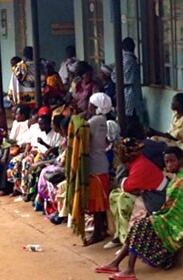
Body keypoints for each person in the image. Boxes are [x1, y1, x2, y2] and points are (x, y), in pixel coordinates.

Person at [95, 147, 183, 280]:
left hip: (180, 221)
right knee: (140, 224)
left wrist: (160, 216)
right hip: (171, 216)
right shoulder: (179, 177)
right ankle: (116, 263)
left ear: (181, 160)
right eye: (167, 162)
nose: (169, 164)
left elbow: (180, 209)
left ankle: (128, 269)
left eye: (173, 161)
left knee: (142, 226)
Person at [105, 137, 167, 249]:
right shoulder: (135, 162)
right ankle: (119, 235)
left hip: (156, 199)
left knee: (124, 200)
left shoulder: (140, 164)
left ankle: (127, 242)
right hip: (148, 193)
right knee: (114, 196)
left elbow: (125, 186)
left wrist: (121, 168)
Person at [83, 92, 113, 246]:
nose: (88, 107)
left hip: (95, 165)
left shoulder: (94, 121)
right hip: (101, 162)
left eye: (90, 104)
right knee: (98, 200)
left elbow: (82, 136)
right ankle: (100, 229)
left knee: (96, 201)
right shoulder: (103, 120)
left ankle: (98, 232)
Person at [112, 37, 144, 126]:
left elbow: (113, 76)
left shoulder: (122, 60)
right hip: (130, 93)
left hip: (126, 92)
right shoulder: (130, 61)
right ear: (134, 46)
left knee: (128, 118)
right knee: (131, 120)